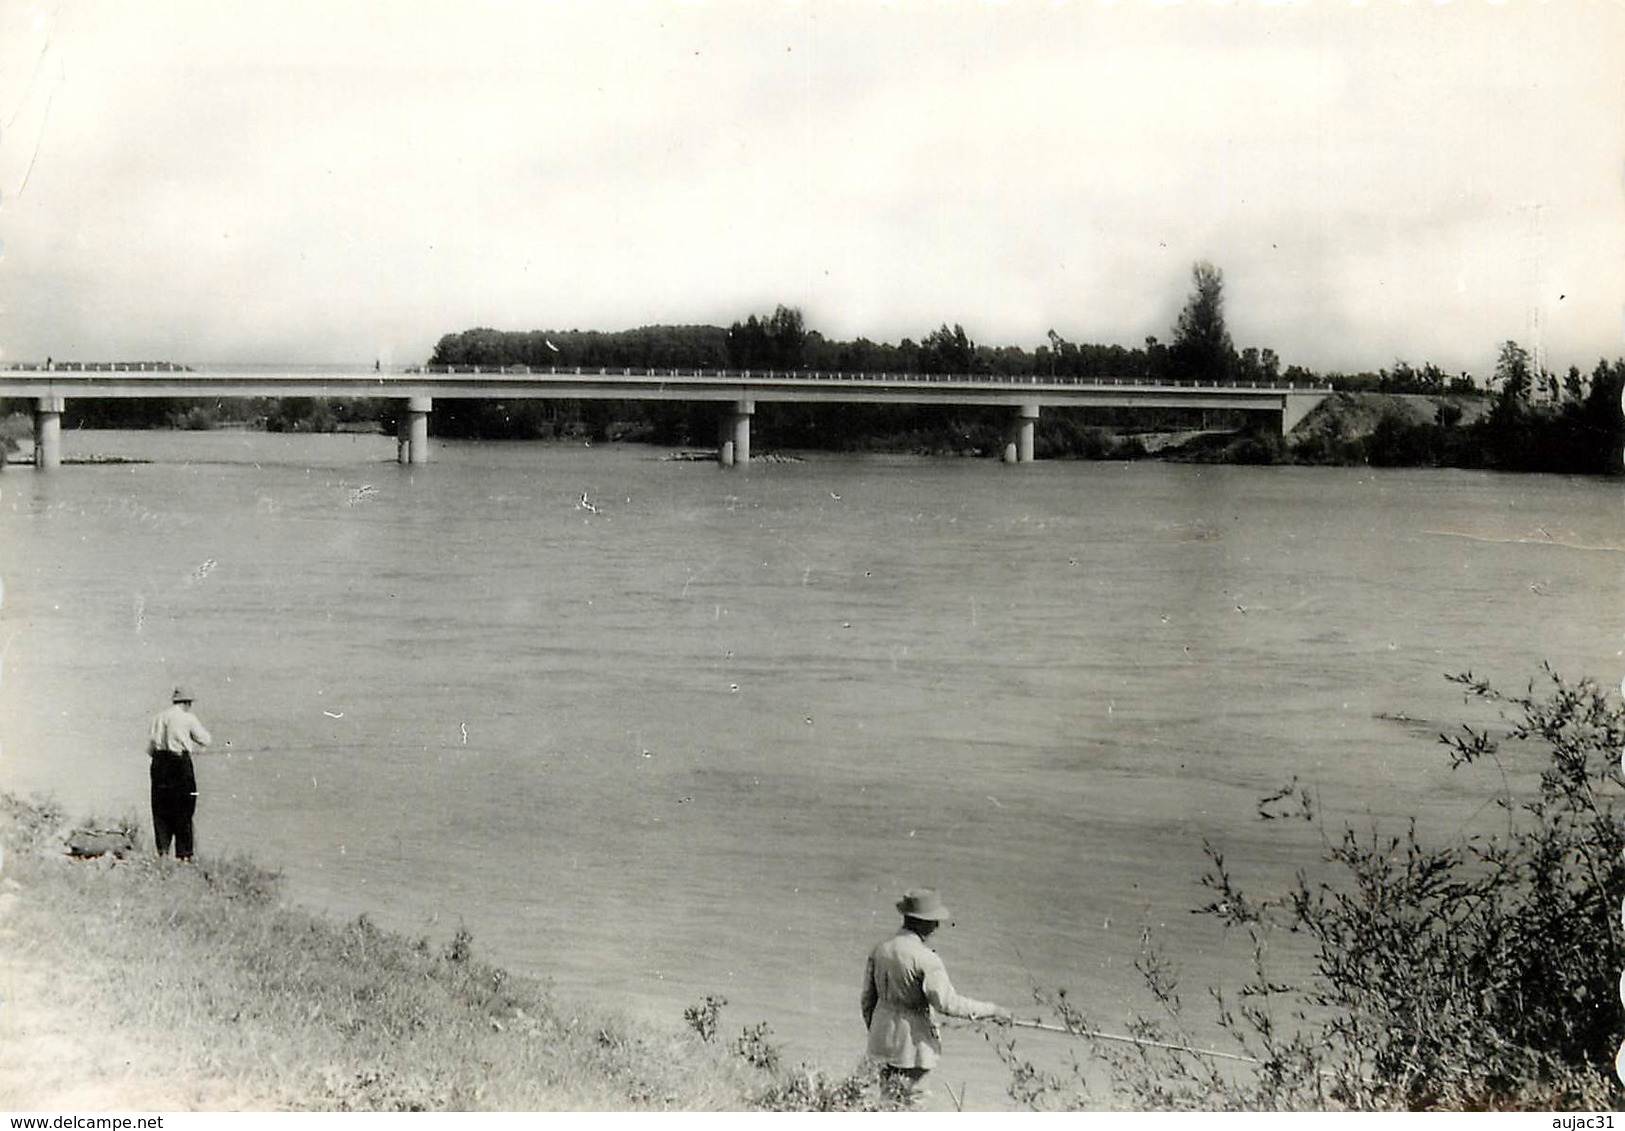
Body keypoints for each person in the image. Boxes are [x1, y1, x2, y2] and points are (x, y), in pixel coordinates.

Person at [861, 888, 1009, 1103]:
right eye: (933, 921)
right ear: (921, 922)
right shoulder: (926, 959)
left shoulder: (880, 949)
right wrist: (992, 1010)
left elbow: (867, 1000)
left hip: (881, 1041)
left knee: (888, 1103)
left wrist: (876, 1030)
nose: (936, 926)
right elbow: (947, 1003)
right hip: (913, 1047)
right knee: (914, 1105)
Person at [146, 686, 212, 860]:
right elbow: (205, 739)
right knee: (184, 807)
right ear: (187, 703)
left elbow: (150, 748)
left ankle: (163, 851)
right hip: (179, 763)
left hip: (159, 763)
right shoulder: (188, 718)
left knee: (160, 807)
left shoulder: (158, 717)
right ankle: (184, 854)